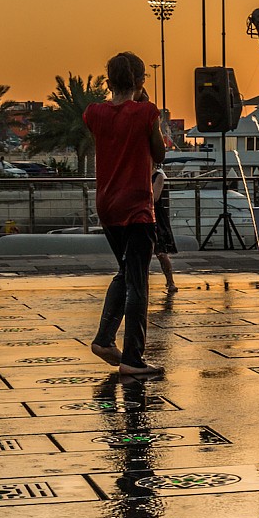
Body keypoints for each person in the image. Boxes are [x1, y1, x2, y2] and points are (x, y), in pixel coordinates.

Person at [83, 51, 172, 376]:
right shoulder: (146, 112)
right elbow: (159, 153)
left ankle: (105, 340)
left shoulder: (93, 113)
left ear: (108, 81)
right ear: (139, 81)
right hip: (136, 206)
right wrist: (149, 112)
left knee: (125, 270)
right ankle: (133, 359)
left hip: (107, 204)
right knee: (138, 284)